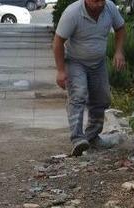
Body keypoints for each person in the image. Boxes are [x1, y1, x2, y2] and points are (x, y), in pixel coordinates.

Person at [53, 0, 126, 156]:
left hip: (98, 63)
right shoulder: (72, 13)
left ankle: (92, 137)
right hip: (75, 61)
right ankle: (77, 139)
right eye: (95, 1)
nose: (99, 4)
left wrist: (119, 51)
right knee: (78, 94)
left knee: (102, 98)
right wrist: (60, 70)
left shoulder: (110, 8)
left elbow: (120, 28)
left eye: (101, 0)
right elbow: (58, 41)